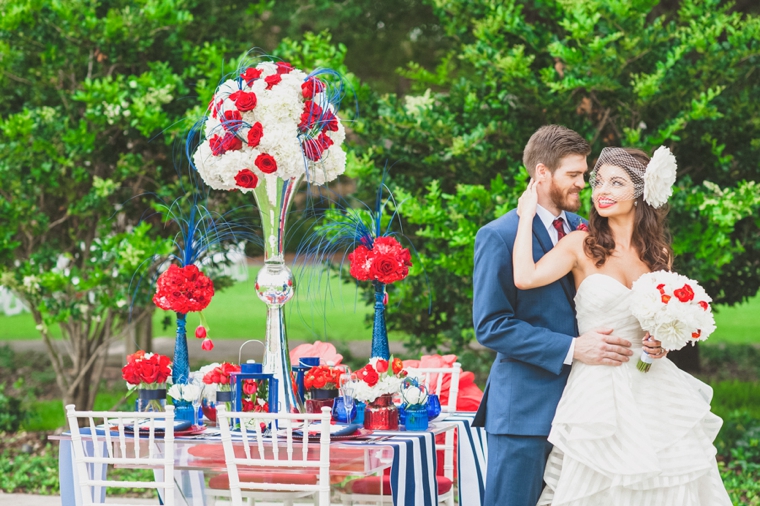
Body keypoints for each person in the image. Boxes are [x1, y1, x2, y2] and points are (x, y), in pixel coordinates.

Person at [513, 146, 731, 505]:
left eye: (616, 183)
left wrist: (659, 342)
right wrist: (524, 218)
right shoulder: (580, 245)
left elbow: (658, 321)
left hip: (652, 384)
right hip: (599, 388)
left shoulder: (658, 253)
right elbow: (525, 277)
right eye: (598, 182)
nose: (602, 190)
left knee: (667, 481)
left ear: (641, 192)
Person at [471, 125, 664, 506]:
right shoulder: (499, 236)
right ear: (542, 173)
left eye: (584, 175)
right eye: (574, 175)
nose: (584, 185)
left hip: (589, 411)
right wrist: (573, 347)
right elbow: (491, 326)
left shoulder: (587, 232)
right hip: (526, 411)